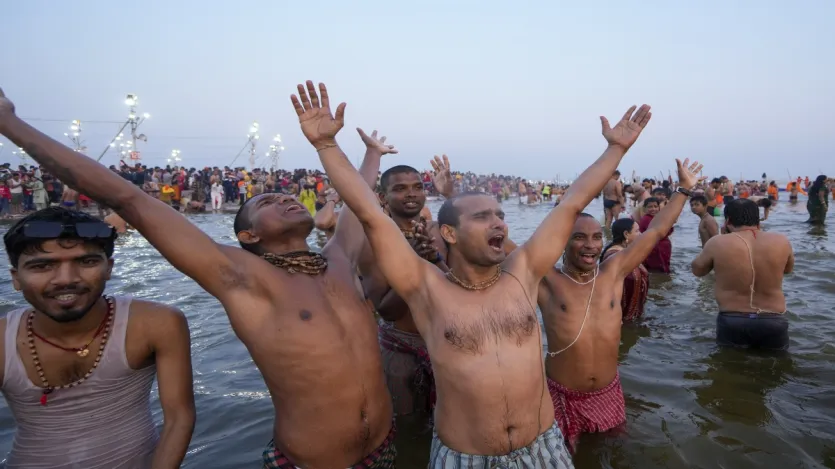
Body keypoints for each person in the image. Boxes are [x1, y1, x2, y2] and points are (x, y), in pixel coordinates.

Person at [0, 87, 396, 468]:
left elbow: (362, 205)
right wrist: (10, 123)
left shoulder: (340, 259)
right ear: (248, 236)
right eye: (266, 201)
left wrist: (369, 155)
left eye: (284, 196)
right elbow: (128, 199)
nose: (285, 197)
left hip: (383, 449)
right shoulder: (240, 277)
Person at [293, 79, 651, 467]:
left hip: (544, 447)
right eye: (482, 217)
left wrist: (616, 148)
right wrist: (326, 146)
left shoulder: (524, 273)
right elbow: (369, 214)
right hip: (465, 456)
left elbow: (572, 203)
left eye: (499, 214)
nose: (498, 223)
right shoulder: (426, 286)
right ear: (449, 233)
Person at [0, 207, 194, 468]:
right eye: (42, 266)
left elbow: (179, 418)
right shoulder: (3, 340)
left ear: (109, 268)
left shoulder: (156, 323)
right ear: (16, 278)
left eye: (86, 262)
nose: (66, 279)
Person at [538, 159, 702, 452]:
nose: (590, 245)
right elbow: (496, 253)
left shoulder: (612, 272)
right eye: (578, 237)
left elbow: (656, 231)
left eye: (596, 237)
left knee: (617, 454)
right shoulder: (546, 280)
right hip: (560, 396)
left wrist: (684, 190)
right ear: (561, 241)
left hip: (609, 392)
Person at [366, 153, 452, 425]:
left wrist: (451, 194)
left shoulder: (442, 232)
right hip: (401, 348)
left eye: (417, 187)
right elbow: (386, 310)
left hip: (446, 343)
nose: (411, 194)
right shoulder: (374, 243)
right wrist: (412, 265)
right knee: (408, 428)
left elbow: (460, 288)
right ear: (383, 197)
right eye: (400, 189)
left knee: (453, 422)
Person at [691, 199, 794, 350]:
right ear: (757, 219)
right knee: (776, 369)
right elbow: (788, 270)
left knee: (729, 367)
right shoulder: (781, 240)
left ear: (728, 220)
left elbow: (697, 270)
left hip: (732, 319)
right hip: (773, 320)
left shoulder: (717, 242)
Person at [599, 218, 648, 321]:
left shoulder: (625, 252)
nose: (641, 234)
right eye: (637, 231)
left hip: (631, 315)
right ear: (626, 234)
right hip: (621, 318)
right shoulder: (614, 256)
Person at [637, 197, 673, 273]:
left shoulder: (655, 218)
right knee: (658, 270)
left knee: (662, 268)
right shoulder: (646, 219)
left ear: (659, 207)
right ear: (644, 208)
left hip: (660, 249)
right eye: (650, 207)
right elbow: (660, 232)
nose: (653, 209)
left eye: (655, 206)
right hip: (654, 250)